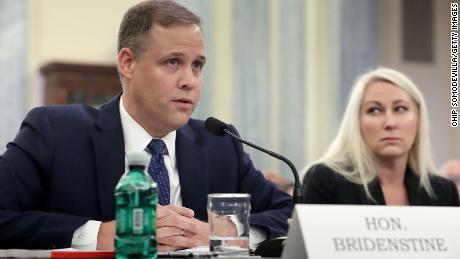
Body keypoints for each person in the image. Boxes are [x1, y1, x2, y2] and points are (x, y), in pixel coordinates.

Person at [0, 0, 292, 250]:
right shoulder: (56, 133)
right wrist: (98, 235)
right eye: (173, 62)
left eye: (198, 65)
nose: (189, 81)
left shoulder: (220, 144)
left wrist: (227, 232)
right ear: (128, 63)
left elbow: (291, 212)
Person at [302, 68, 459, 206]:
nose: (390, 123)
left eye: (400, 108)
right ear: (356, 123)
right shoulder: (325, 180)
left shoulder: (443, 191)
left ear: (418, 120)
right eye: (374, 110)